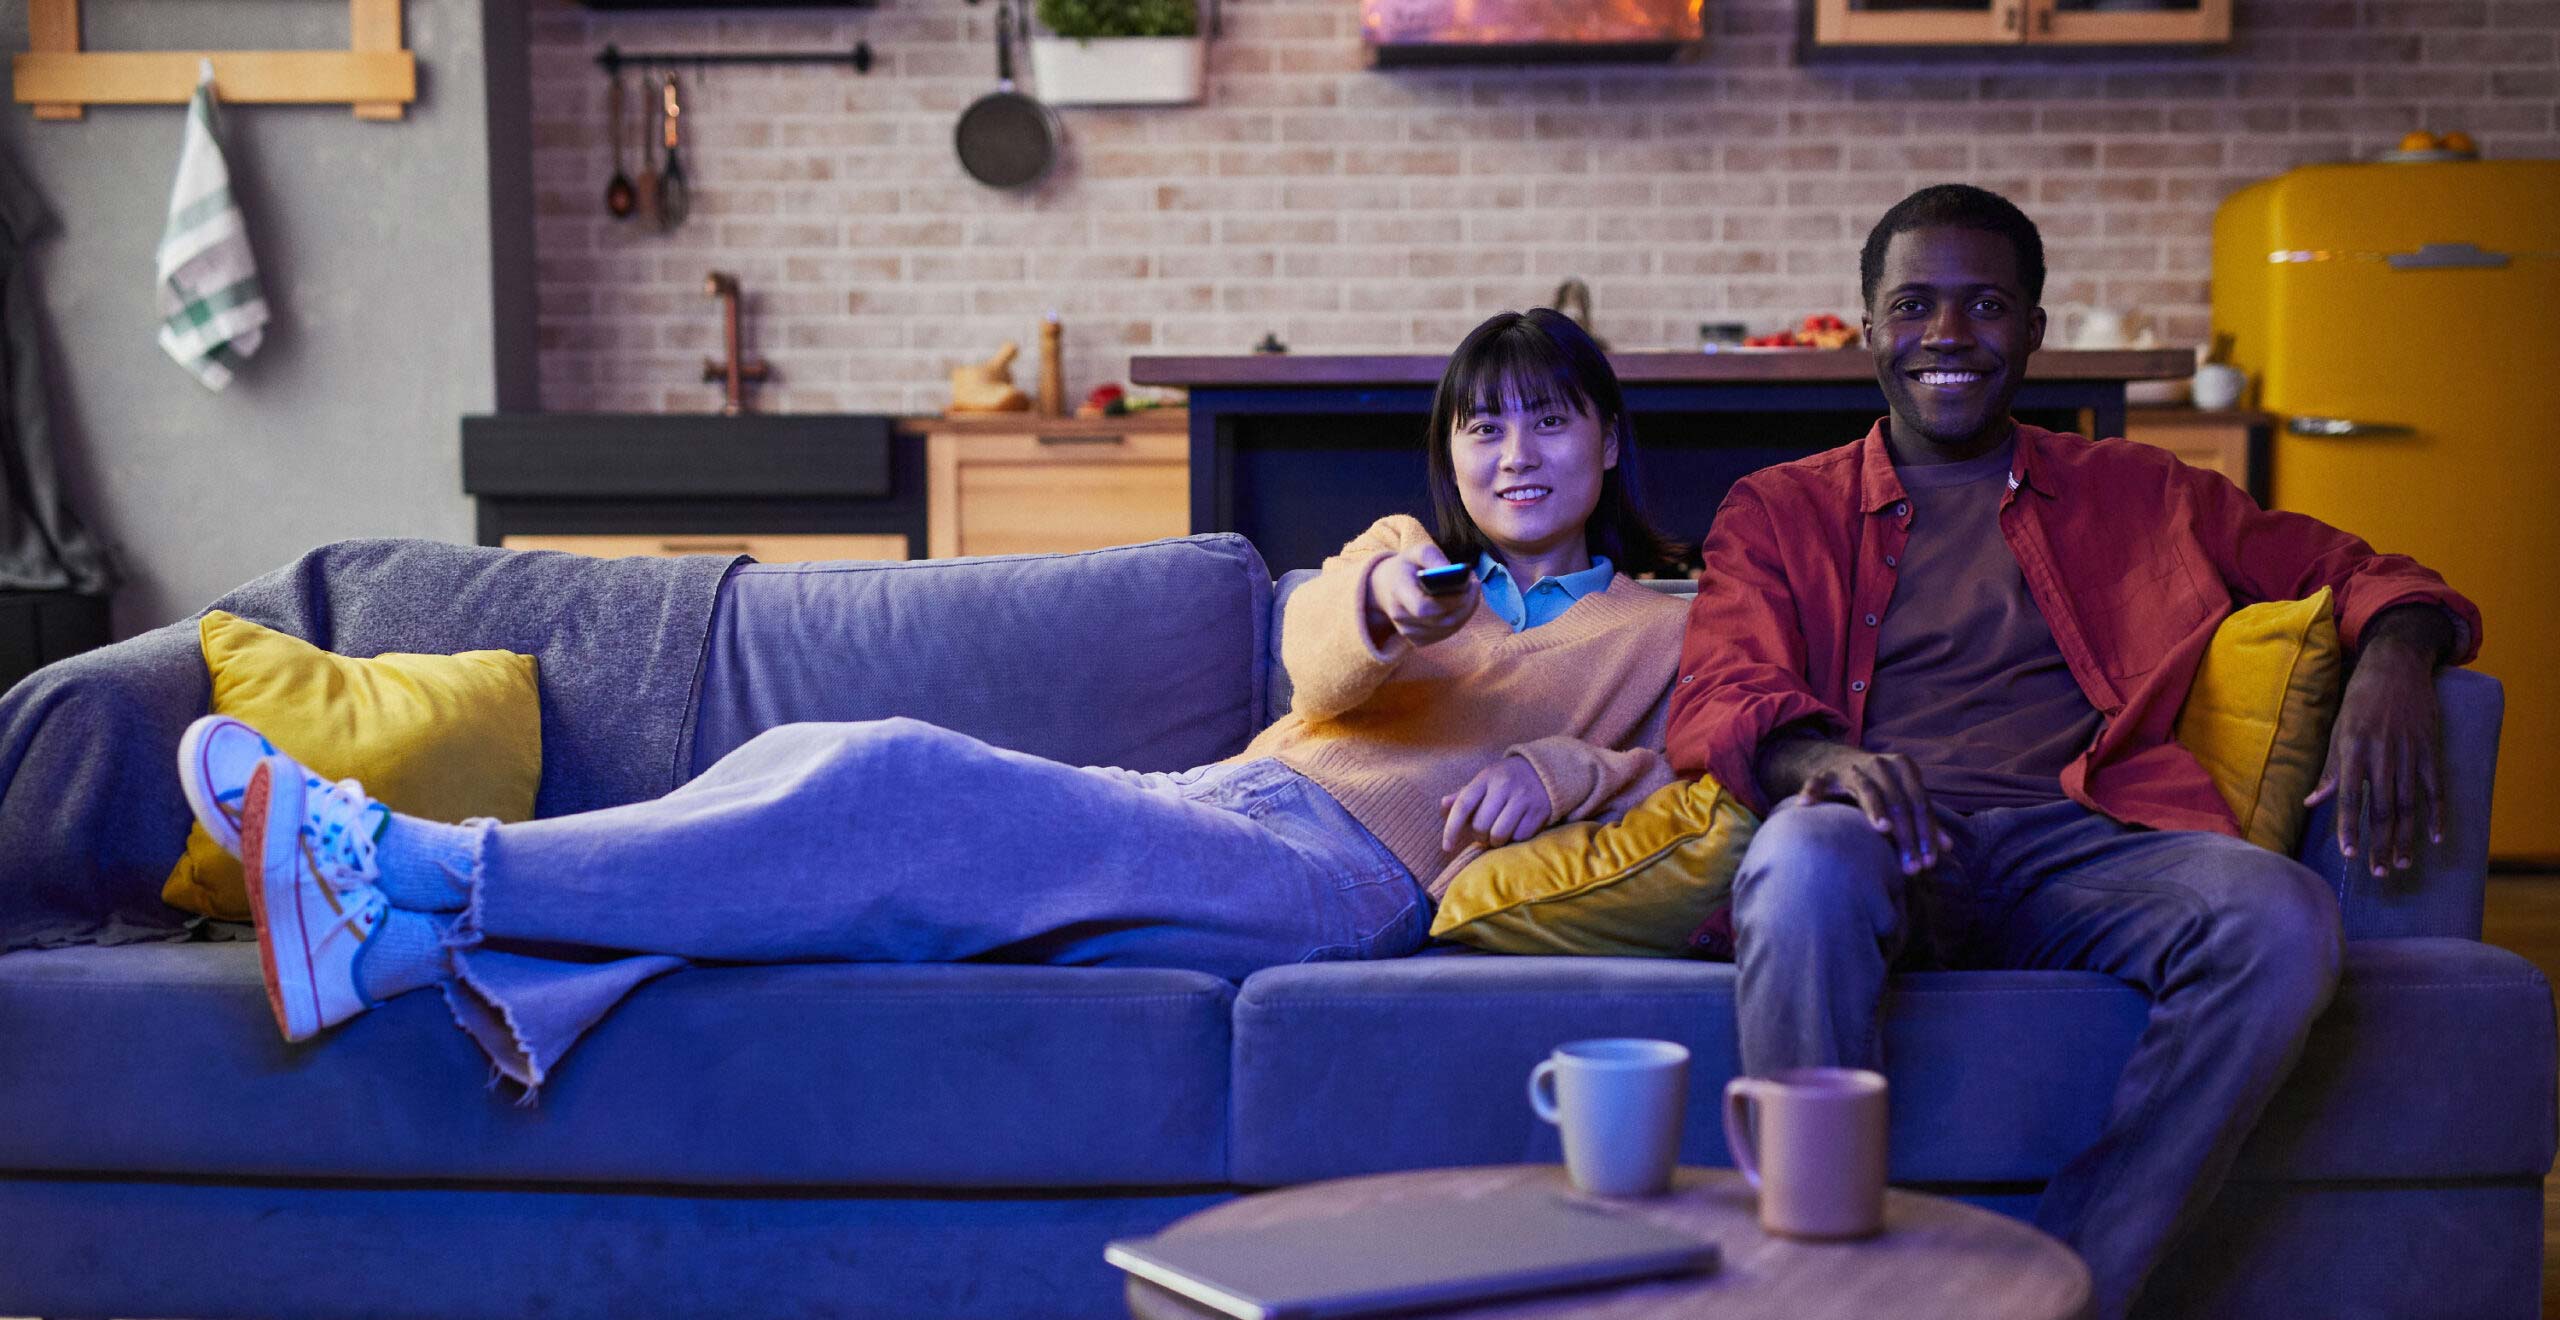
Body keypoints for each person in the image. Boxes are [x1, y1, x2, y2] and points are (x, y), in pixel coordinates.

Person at [178, 308, 1693, 1090]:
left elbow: (1704, 770)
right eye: (1482, 429)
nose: (1514, 457)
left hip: (1340, 879)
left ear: (1607, 441)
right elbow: (1317, 664)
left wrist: (1561, 768)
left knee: (892, 781)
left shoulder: (1660, 625)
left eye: (1547, 423)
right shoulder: (1397, 559)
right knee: (821, 772)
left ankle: (410, 864)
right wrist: (1387, 603)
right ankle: (391, 950)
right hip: (1226, 803)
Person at [1668, 184, 2477, 1320]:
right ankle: (1821, 1288)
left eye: (1986, 304)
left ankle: (2068, 1286)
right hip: (1883, 839)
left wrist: (2394, 656)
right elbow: (1719, 684)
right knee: (1803, 863)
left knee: (2279, 917)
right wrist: (1817, 765)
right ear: (1867, 330)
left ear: (2035, 330)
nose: (1948, 335)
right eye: (1914, 305)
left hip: (2086, 847)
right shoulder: (1778, 509)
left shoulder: (2142, 492)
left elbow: (2362, 567)